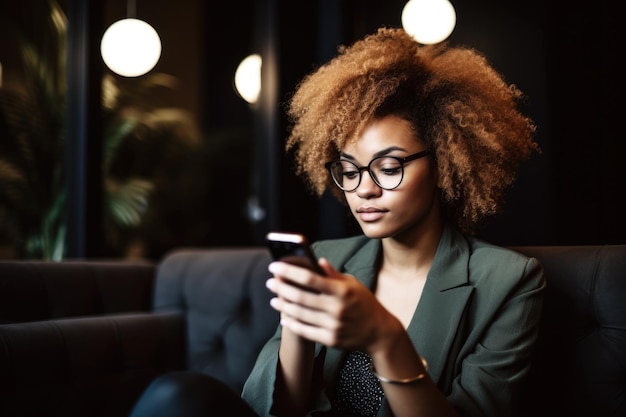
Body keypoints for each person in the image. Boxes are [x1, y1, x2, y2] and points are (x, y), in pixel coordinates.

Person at [129, 26, 544, 417]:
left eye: (388, 167)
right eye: (349, 171)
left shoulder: (508, 281)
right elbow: (280, 409)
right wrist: (296, 324)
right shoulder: (328, 260)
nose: (363, 189)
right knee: (178, 395)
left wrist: (385, 339)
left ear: (444, 165)